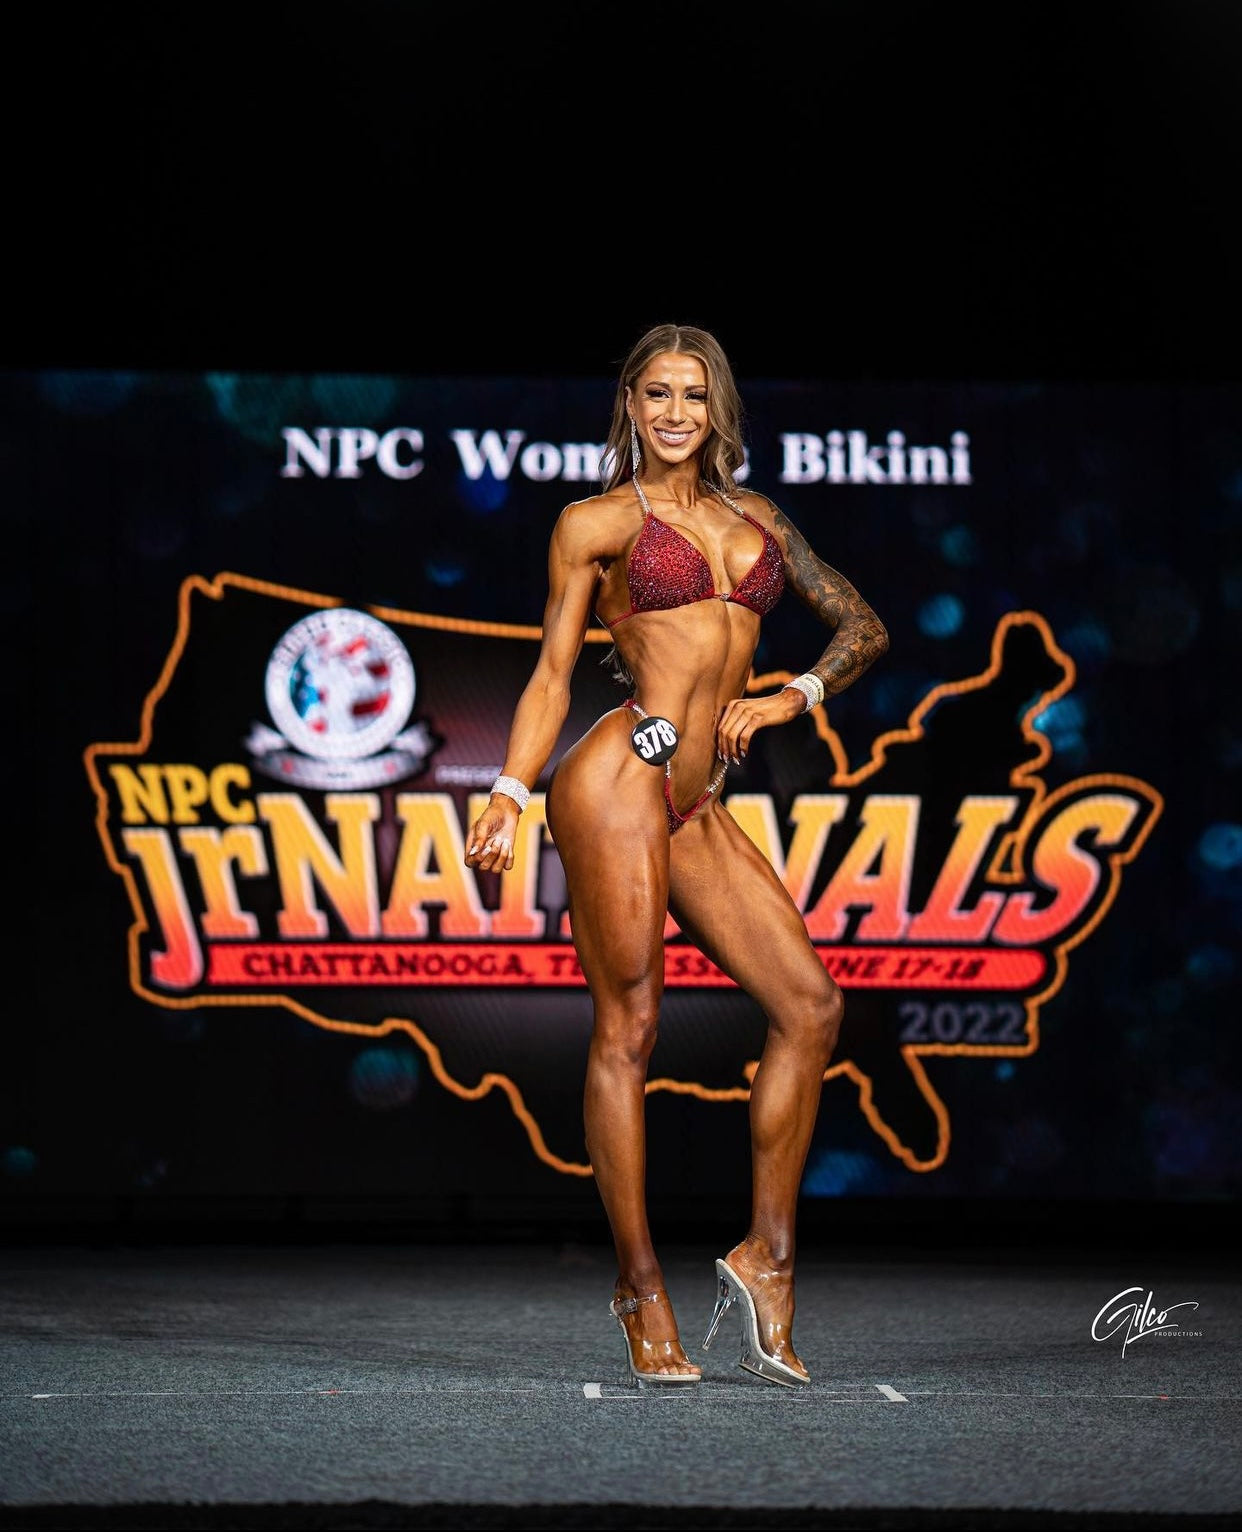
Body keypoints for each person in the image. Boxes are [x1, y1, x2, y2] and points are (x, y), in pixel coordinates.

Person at [464, 323, 889, 1389]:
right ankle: (639, 1284)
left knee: (811, 1007)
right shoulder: (597, 523)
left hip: (693, 798)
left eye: (693, 396)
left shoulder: (760, 520)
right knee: (633, 1024)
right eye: (656, 393)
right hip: (617, 776)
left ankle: (768, 1256)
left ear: (717, 410)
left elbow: (864, 625)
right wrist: (509, 789)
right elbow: (554, 673)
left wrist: (795, 694)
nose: (674, 413)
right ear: (631, 404)